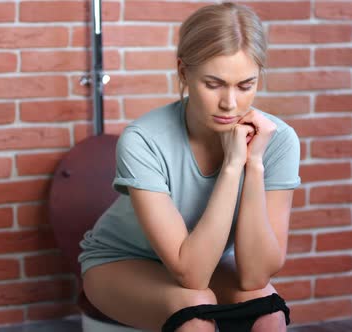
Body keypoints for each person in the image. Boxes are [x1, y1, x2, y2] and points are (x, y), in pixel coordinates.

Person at [79, 2, 301, 331]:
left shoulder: (278, 140)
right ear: (184, 72)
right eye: (213, 84)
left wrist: (253, 165)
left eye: (245, 85)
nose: (230, 103)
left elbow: (255, 274)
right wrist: (231, 166)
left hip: (204, 260)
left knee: (267, 310)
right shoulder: (143, 139)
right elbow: (192, 275)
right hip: (121, 261)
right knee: (195, 310)